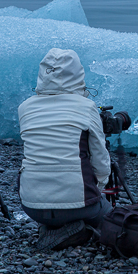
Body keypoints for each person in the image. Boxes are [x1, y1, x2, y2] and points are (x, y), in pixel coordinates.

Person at [17, 48, 110, 250]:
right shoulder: (86, 107)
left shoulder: (25, 108)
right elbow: (101, 162)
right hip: (80, 205)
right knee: (109, 217)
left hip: (31, 205)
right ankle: (77, 229)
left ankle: (52, 228)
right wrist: (98, 190)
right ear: (78, 74)